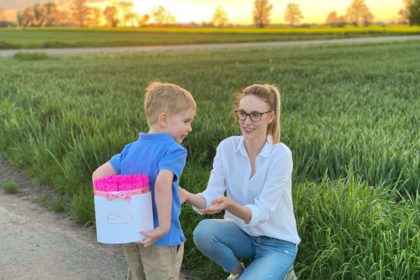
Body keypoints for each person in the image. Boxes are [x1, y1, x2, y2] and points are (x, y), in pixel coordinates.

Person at [180, 84, 300, 280]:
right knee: (203, 232)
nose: (246, 121)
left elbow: (263, 211)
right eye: (242, 113)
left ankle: (283, 271)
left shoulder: (281, 154)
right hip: (243, 235)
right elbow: (211, 195)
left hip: (278, 245)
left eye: (255, 115)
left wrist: (231, 206)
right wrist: (186, 196)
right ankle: (237, 271)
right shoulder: (227, 148)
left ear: (271, 116)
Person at [92, 81, 196, 280]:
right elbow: (162, 184)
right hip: (160, 238)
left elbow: (98, 176)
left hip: (132, 233)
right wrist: (163, 227)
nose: (189, 128)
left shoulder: (130, 149)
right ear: (164, 119)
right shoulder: (173, 150)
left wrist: (113, 210)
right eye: (186, 121)